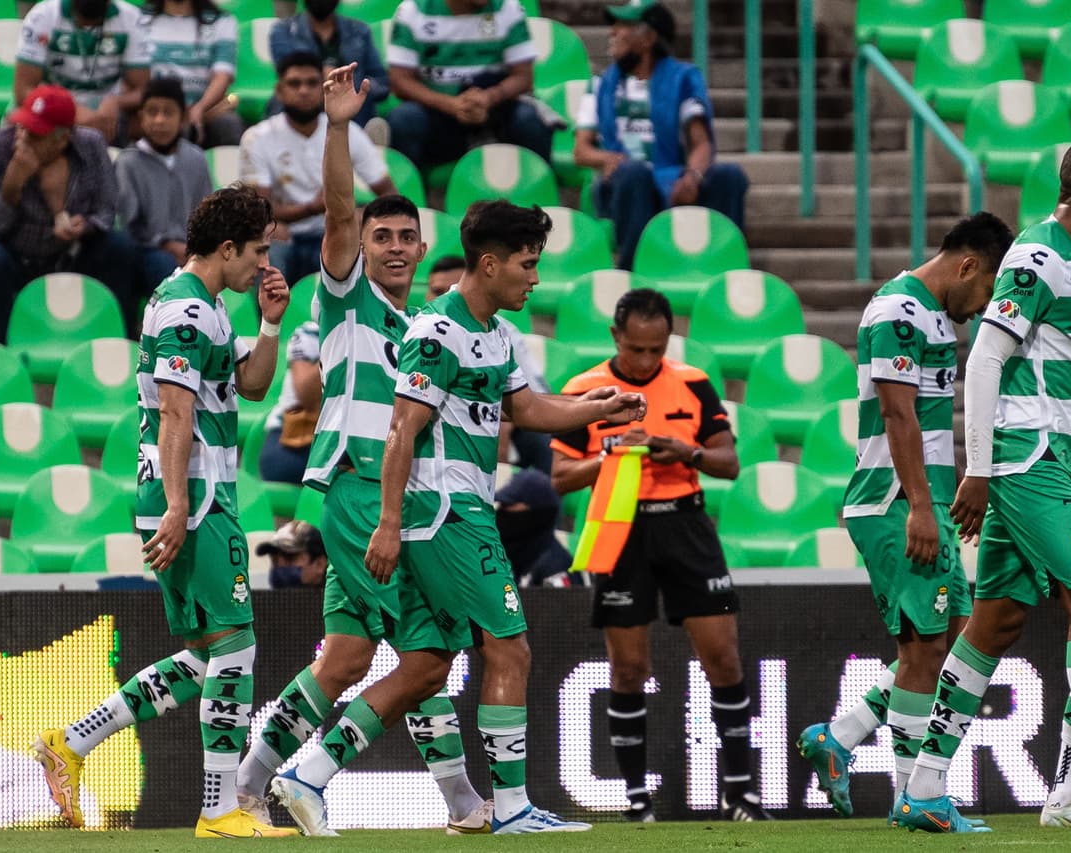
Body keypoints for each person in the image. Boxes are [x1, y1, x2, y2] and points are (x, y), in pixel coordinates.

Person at [268, 114, 645, 834]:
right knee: (510, 644)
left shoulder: (493, 333)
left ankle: (306, 774)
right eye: (528, 263)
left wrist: (599, 405)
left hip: (450, 510)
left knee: (428, 665)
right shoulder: (437, 331)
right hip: (444, 512)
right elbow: (403, 429)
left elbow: (527, 408)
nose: (536, 278)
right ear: (491, 261)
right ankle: (509, 808)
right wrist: (386, 520)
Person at [234, 63, 492, 838]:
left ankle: (243, 789)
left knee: (346, 659)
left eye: (405, 236)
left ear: (423, 246)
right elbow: (339, 212)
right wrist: (341, 126)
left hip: (390, 495)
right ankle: (326, 779)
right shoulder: (347, 296)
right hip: (361, 491)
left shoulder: (425, 330)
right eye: (380, 236)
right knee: (426, 650)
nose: (391, 246)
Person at [31, 184, 296, 839]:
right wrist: (181, 505)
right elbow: (177, 410)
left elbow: (254, 385)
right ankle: (218, 809)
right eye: (257, 251)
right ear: (227, 247)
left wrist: (270, 322)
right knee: (237, 648)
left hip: (190, 493)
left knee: (210, 657)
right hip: (196, 496)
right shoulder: (186, 310)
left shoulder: (203, 305)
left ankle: (71, 740)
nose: (264, 263)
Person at [891, 139, 1071, 834]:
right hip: (1026, 457)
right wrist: (976, 467)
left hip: (1059, 459)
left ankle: (923, 783)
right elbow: (984, 357)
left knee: (997, 620)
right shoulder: (1037, 258)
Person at [795, 213, 1013, 817]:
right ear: (969, 265)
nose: (986, 306)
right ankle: (912, 797)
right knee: (925, 649)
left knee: (945, 644)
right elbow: (898, 417)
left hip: (921, 499)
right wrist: (920, 505)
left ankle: (840, 737)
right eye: (991, 287)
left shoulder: (932, 314)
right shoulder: (900, 311)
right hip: (897, 500)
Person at [549, 287, 769, 823]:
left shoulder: (692, 383)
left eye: (656, 349)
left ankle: (739, 794)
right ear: (616, 337)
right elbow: (558, 478)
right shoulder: (584, 390)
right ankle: (636, 800)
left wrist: (685, 451)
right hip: (622, 531)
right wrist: (609, 453)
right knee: (628, 668)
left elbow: (729, 464)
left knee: (723, 657)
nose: (646, 360)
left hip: (687, 524)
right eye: (636, 349)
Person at [573, 0, 748, 270]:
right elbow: (581, 151)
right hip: (623, 184)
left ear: (649, 38)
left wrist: (692, 177)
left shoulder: (683, 79)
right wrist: (607, 158)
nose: (613, 32)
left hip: (671, 178)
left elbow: (701, 144)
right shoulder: (599, 85)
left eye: (624, 26)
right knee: (635, 174)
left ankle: (726, 270)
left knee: (730, 176)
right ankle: (632, 272)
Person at [0, 84, 144, 343]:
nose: (23, 138)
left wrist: (87, 225)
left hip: (69, 255)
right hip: (11, 255)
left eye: (36, 134)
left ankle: (119, 340)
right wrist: (12, 186)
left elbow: (106, 208)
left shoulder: (91, 145)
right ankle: (0, 345)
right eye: (22, 127)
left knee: (120, 248)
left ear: (63, 138)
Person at [240, 51, 395, 286]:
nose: (303, 91)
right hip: (283, 236)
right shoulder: (257, 137)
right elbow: (260, 210)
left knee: (361, 242)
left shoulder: (346, 130)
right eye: (294, 83)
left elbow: (390, 195)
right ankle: (268, 323)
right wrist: (312, 208)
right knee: (268, 252)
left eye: (312, 83)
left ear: (323, 88)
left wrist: (367, 216)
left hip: (334, 232)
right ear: (279, 91)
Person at [386, 0, 552, 171]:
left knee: (529, 120)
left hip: (495, 108)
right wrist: (451, 105)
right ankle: (412, 195)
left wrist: (489, 98)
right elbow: (400, 80)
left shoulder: (509, 7)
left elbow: (523, 76)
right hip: (438, 111)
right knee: (403, 120)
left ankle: (540, 194)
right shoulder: (412, 10)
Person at [426, 254, 553, 472]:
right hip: (441, 433)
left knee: (539, 438)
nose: (447, 298)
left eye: (452, 289)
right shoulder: (422, 332)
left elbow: (534, 400)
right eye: (438, 291)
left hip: (500, 427)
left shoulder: (503, 332)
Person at [116, 77, 213, 295]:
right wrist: (166, 244)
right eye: (152, 112)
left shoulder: (196, 158)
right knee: (165, 267)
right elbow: (128, 224)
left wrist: (196, 249)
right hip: (148, 252)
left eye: (168, 112)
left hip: (193, 251)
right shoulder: (128, 162)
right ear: (141, 117)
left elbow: (208, 214)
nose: (159, 120)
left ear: (183, 117)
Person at [15, 0, 152, 143]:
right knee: (10, 132)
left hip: (107, 111)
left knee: (147, 124)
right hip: (53, 106)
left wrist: (117, 102)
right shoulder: (42, 16)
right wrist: (74, 111)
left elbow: (144, 89)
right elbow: (23, 90)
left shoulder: (132, 18)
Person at [139, 0, 242, 148]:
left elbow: (222, 77)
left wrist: (199, 108)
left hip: (203, 109)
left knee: (229, 124)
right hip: (156, 109)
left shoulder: (222, 21)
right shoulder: (139, 18)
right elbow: (134, 75)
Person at [269, 0, 388, 126]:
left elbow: (380, 81)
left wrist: (346, 83)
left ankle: (361, 140)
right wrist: (322, 76)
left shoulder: (360, 31)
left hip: (351, 95)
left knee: (357, 91)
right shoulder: (284, 31)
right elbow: (289, 74)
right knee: (291, 94)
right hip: (310, 93)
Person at [258, 319, 321, 484]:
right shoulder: (309, 333)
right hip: (291, 445)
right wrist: (342, 345)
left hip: (335, 443)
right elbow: (308, 397)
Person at [257, 520, 329, 589]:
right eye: (274, 560)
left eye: (289, 557)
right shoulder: (264, 600)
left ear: (320, 564)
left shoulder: (338, 599)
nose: (280, 566)